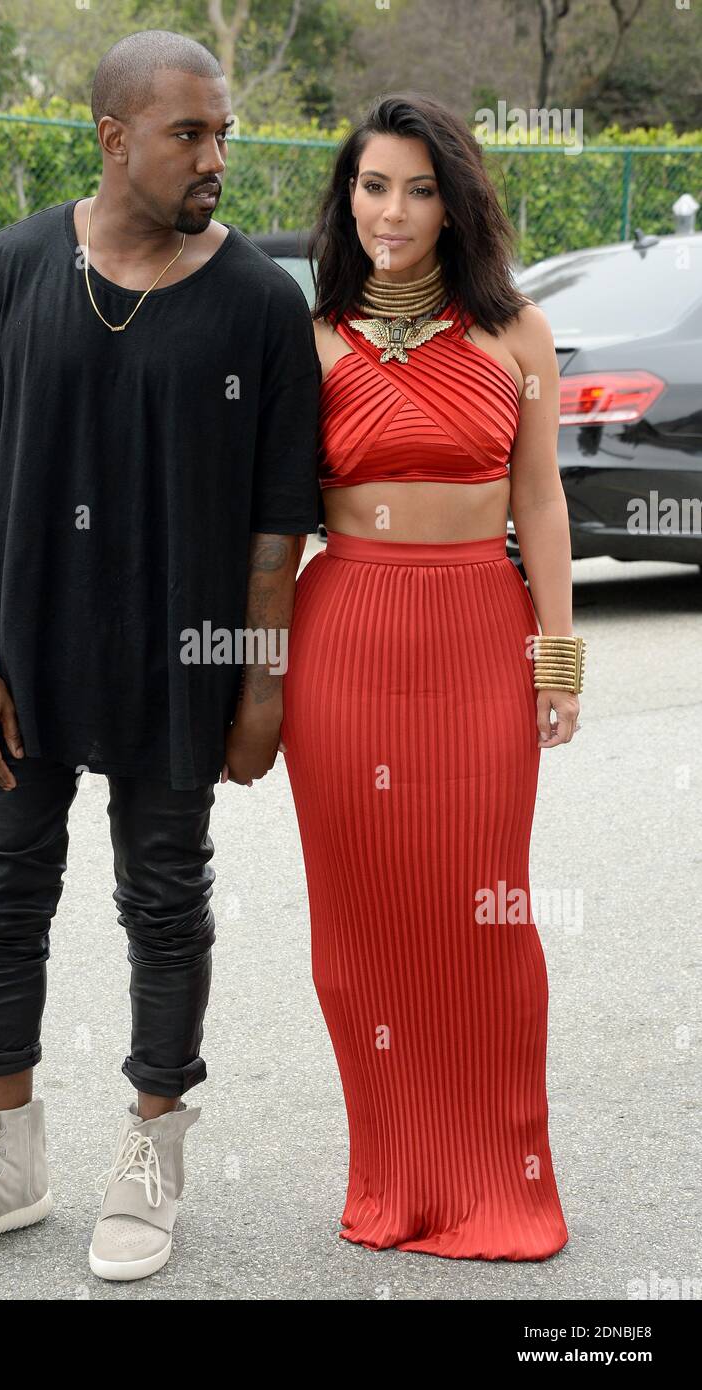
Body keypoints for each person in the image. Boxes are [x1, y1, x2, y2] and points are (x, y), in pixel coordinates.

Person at [0, 30, 320, 1280]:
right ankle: (6, 1151)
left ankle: (150, 1149)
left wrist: (258, 685)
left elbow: (273, 525)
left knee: (165, 897)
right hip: (23, 661)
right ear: (112, 136)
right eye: (189, 133)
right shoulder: (11, 270)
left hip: (181, 662)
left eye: (223, 133)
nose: (215, 157)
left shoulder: (255, 302)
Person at [280, 93, 585, 1260]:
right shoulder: (305, 338)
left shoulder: (517, 335)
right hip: (342, 643)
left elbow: (541, 501)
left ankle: (500, 1182)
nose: (391, 210)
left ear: (454, 202)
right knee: (360, 925)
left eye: (415, 188)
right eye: (370, 186)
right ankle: (393, 1177)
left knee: (483, 914)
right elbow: (269, 525)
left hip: (475, 636)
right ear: (344, 197)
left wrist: (553, 656)